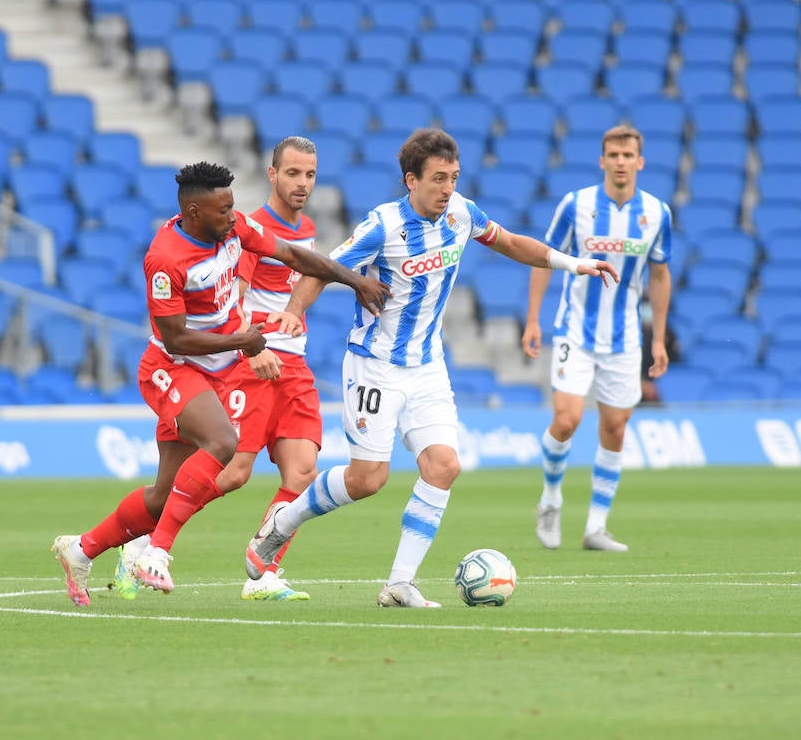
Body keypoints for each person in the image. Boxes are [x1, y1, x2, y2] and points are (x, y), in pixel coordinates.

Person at [244, 128, 618, 608]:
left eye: (454, 177)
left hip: (427, 367)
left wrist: (574, 264)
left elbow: (509, 242)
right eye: (438, 178)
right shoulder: (382, 226)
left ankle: (400, 583)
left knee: (444, 466)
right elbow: (322, 267)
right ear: (411, 180)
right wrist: (295, 310)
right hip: (375, 366)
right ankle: (284, 521)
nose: (448, 188)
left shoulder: (462, 212)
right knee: (367, 480)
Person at [51, 161, 389, 606]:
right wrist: (243, 342)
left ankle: (81, 549)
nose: (232, 216)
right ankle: (157, 553)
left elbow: (294, 257)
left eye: (232, 206)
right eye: (223, 210)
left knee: (163, 499)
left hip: (219, 369)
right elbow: (175, 338)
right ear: (194, 212)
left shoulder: (234, 230)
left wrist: (354, 280)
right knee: (224, 443)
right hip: (172, 369)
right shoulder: (166, 259)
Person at [112, 137, 329, 603]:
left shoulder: (306, 229)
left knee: (302, 472)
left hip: (293, 363)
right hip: (255, 360)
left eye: (310, 174)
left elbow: (304, 278)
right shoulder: (244, 228)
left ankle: (264, 569)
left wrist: (300, 308)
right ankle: (146, 543)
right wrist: (252, 349)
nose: (302, 183)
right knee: (232, 472)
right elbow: (233, 298)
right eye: (292, 173)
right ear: (272, 175)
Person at [521, 124, 673, 553]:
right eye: (614, 155)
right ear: (602, 160)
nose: (621, 162)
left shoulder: (657, 213)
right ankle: (551, 499)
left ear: (640, 162)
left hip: (625, 337)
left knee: (615, 427)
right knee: (566, 420)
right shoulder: (577, 205)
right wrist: (533, 320)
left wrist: (658, 339)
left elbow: (660, 275)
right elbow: (543, 258)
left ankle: (595, 527)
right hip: (575, 329)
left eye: (628, 155)